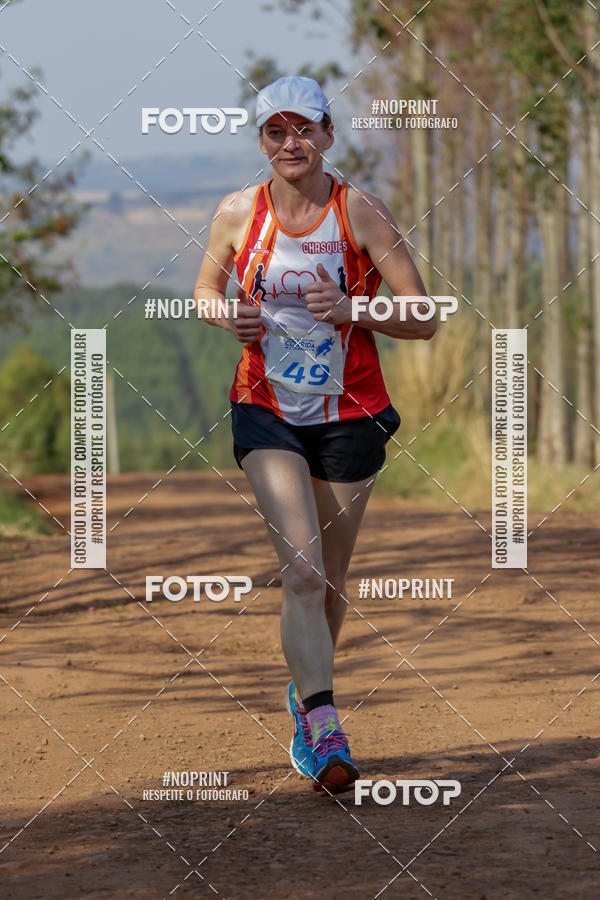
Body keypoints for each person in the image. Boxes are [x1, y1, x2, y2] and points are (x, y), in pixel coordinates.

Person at [194, 75, 435, 795]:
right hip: (264, 405)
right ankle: (327, 726)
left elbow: (426, 316)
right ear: (262, 141)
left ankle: (305, 697)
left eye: (304, 130)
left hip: (352, 415)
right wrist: (223, 316)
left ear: (329, 135)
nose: (290, 143)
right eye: (276, 131)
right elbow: (205, 290)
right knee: (301, 569)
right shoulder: (238, 212)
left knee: (327, 580)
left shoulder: (360, 213)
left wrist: (354, 310)